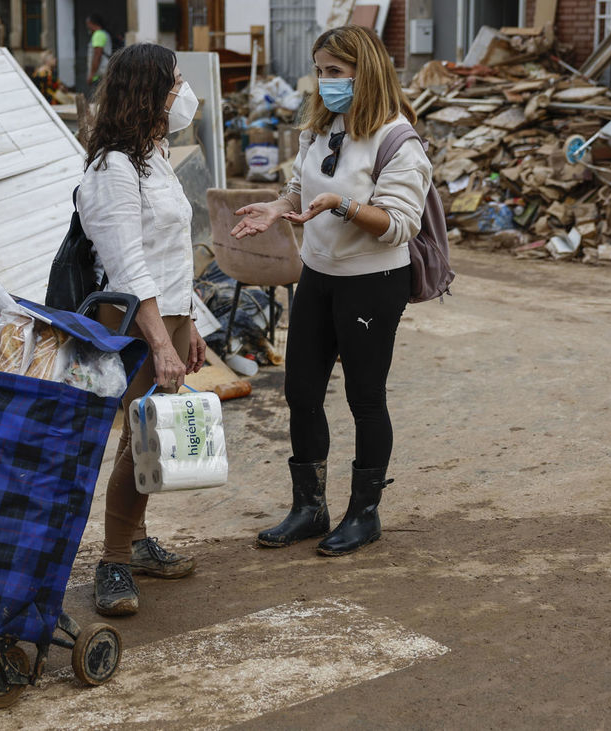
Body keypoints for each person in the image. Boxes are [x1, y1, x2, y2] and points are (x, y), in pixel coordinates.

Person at [231, 25, 432, 557]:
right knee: (300, 391)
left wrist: (343, 206)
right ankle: (309, 507)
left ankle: (364, 514)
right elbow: (304, 185)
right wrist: (277, 207)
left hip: (373, 280)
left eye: (336, 73)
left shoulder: (396, 139)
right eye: (320, 71)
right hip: (318, 274)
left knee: (365, 399)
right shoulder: (322, 126)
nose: (325, 83)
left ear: (366, 73)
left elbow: (398, 225)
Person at [77, 43, 208, 616]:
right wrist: (159, 340)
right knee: (136, 439)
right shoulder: (112, 168)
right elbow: (128, 265)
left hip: (171, 313)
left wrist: (192, 324)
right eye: (175, 84)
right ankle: (112, 563)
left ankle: (134, 540)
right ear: (149, 92)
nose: (184, 95)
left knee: (150, 436)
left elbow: (171, 251)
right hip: (135, 321)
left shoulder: (153, 157)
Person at [86, 15, 113, 87]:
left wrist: (91, 74)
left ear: (93, 24)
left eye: (88, 24)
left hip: (99, 75)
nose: (88, 27)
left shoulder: (98, 35)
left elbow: (97, 55)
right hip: (105, 73)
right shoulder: (104, 33)